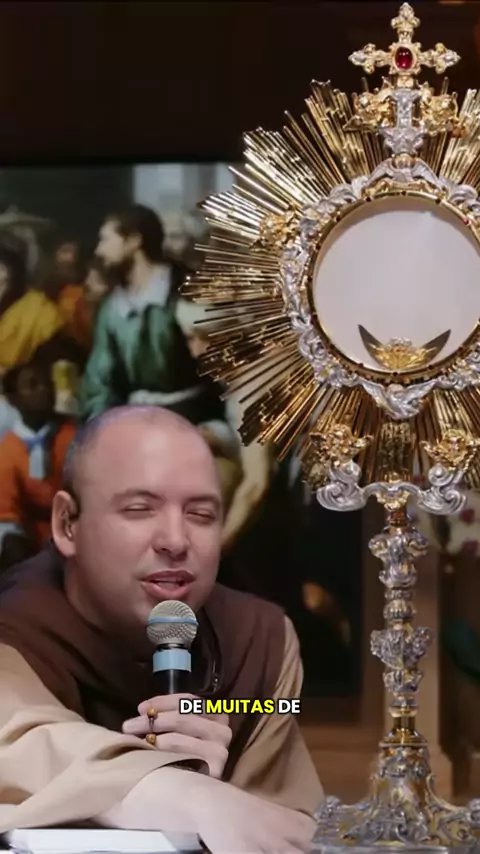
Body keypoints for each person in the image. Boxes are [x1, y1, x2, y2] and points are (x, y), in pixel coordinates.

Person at [0, 405, 322, 853]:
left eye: (201, 514)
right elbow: (19, 746)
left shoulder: (258, 642)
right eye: (139, 509)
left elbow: (282, 827)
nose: (175, 540)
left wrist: (213, 783)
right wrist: (178, 792)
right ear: (67, 524)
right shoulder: (16, 625)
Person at [0, 358, 76, 570]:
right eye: (32, 385)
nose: (43, 390)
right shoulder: (9, 449)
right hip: (33, 539)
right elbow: (6, 512)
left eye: (47, 383)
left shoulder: (74, 436)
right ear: (13, 399)